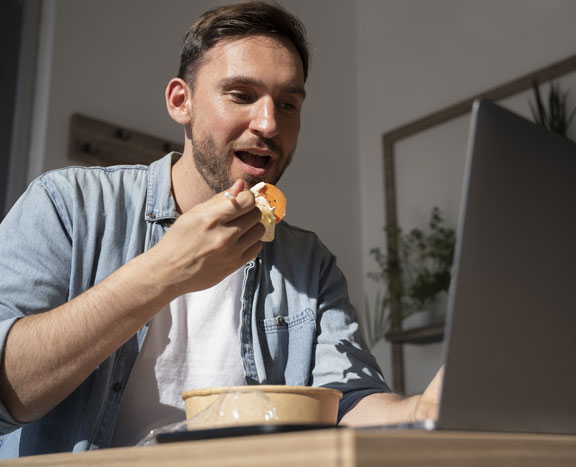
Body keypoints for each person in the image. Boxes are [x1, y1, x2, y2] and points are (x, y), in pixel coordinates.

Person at [0, 1, 440, 457]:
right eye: (242, 95)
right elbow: (8, 390)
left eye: (287, 103)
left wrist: (420, 410)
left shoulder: (309, 264)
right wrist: (165, 271)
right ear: (180, 101)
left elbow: (346, 402)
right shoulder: (68, 204)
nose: (269, 123)